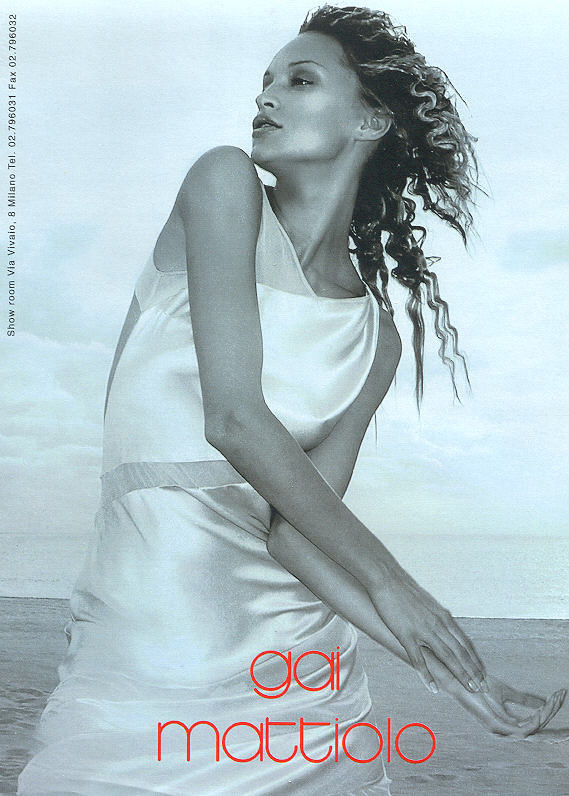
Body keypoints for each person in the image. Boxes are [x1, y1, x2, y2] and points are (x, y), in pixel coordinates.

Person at [18, 5, 565, 795]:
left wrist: (468, 683)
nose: (266, 96)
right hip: (144, 639)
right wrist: (399, 586)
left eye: (300, 80)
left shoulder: (375, 340)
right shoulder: (222, 183)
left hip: (300, 677)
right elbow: (233, 419)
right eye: (266, 80)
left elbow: (294, 540)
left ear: (370, 120)